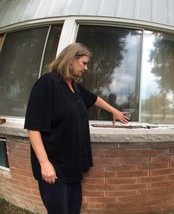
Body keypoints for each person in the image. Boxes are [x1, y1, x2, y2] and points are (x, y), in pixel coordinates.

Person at [24, 43, 129, 214]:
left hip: (73, 167)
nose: (86, 68)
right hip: (54, 169)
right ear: (71, 60)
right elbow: (33, 128)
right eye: (84, 63)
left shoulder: (74, 86)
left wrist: (114, 111)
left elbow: (94, 99)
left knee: (74, 210)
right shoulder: (47, 83)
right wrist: (45, 164)